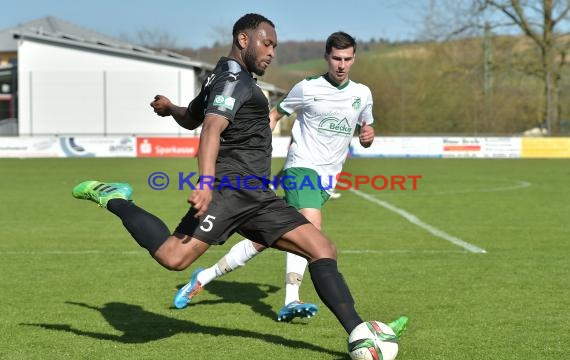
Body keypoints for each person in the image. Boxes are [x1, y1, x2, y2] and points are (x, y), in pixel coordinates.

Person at [72, 14, 407, 341]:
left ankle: (359, 333)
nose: (271, 52)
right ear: (243, 40)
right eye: (267, 43)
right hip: (229, 192)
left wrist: (170, 107)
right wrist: (205, 185)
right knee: (173, 257)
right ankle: (115, 198)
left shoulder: (225, 77)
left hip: (258, 196)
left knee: (322, 249)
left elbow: (190, 118)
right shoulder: (234, 80)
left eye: (274, 46)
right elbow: (209, 130)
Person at [167, 31, 392, 324]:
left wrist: (367, 136)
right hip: (301, 168)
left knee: (266, 238)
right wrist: (254, 150)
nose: (341, 65)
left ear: (354, 59)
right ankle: (292, 298)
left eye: (347, 59)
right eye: (336, 58)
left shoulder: (363, 94)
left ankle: (205, 276)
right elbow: (273, 115)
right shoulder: (307, 87)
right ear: (326, 58)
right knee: (311, 228)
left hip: (329, 176)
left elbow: (366, 134)